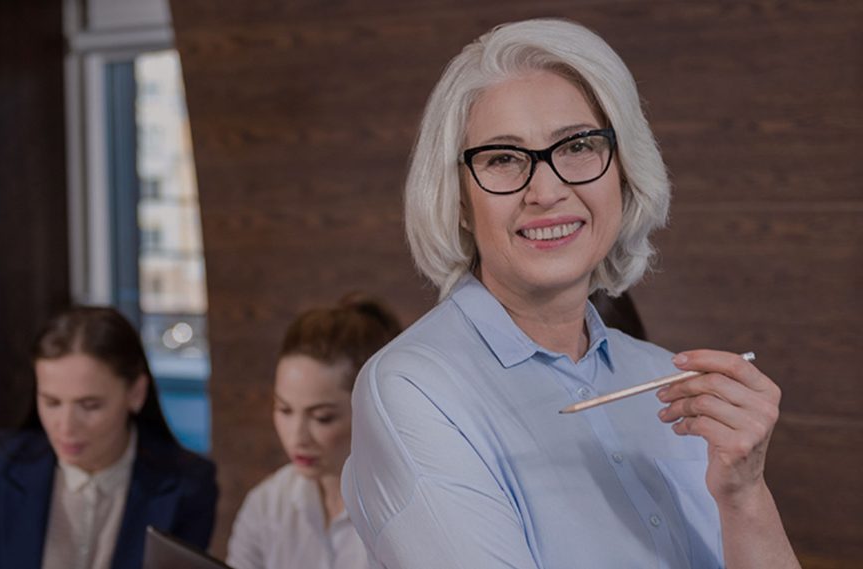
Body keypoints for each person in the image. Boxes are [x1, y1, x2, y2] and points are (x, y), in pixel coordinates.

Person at [341, 19, 799, 569]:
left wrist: (745, 495)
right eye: (503, 158)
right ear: (459, 198)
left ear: (624, 171)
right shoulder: (413, 389)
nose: (548, 190)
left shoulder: (669, 382)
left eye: (578, 145)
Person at [0, 306, 218, 569]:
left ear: (135, 393)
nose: (65, 427)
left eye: (90, 405)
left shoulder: (188, 486)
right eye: (52, 402)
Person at [227, 294, 402, 569]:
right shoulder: (268, 503)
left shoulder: (403, 514)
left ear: (370, 411)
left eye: (322, 418)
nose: (297, 437)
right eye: (284, 410)